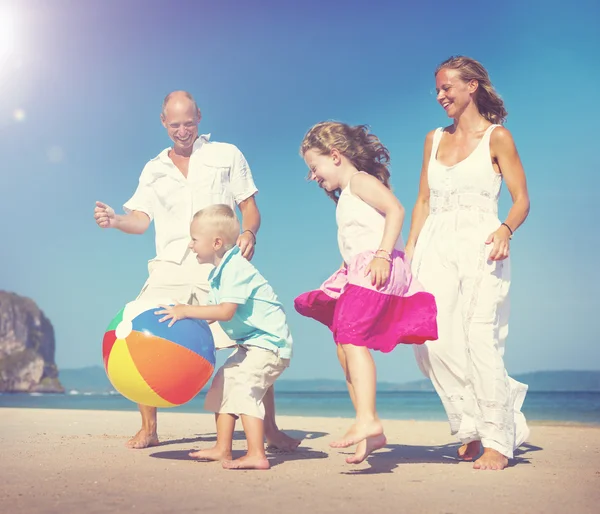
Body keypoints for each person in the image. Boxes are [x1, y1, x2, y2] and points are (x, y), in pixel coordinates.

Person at [94, 91, 299, 452]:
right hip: (170, 265)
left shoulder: (227, 154)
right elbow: (141, 221)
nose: (183, 130)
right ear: (163, 122)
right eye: (175, 125)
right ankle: (149, 428)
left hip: (218, 265)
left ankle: (269, 428)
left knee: (250, 341)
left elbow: (249, 207)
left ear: (200, 117)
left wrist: (249, 233)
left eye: (189, 123)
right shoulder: (154, 168)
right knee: (141, 332)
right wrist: (115, 220)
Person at [405, 56, 531, 471]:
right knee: (432, 341)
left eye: (447, 87)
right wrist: (408, 254)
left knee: (480, 338)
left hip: (481, 242)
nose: (441, 96)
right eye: (437, 89)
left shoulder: (498, 138)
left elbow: (521, 200)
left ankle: (496, 437)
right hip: (434, 243)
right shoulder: (433, 139)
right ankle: (472, 424)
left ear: (472, 86)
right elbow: (422, 201)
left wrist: (505, 231)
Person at [294, 122, 438, 464]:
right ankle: (370, 429)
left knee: (352, 337)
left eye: (314, 168)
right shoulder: (347, 194)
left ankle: (367, 418)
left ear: (335, 155)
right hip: (361, 269)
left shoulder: (359, 181)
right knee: (344, 345)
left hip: (379, 265)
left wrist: (382, 254)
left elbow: (396, 210)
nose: (313, 177)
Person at [155, 205, 293, 470]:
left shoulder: (235, 268)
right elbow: (211, 315)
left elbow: (226, 312)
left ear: (216, 243)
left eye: (195, 239)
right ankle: (222, 448)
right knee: (222, 381)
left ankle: (256, 453)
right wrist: (180, 321)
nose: (190, 245)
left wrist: (185, 310)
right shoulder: (219, 273)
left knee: (244, 387)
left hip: (268, 344)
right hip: (251, 344)